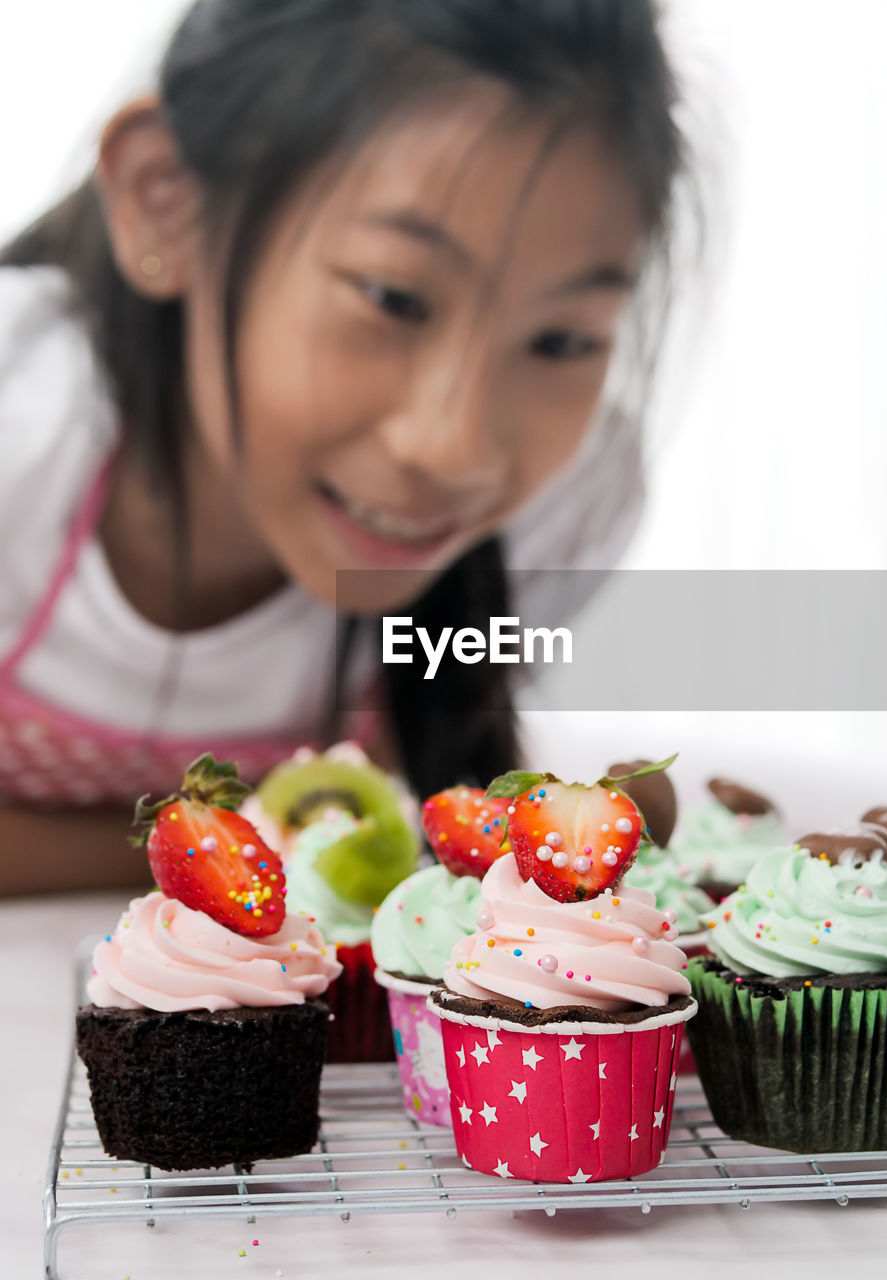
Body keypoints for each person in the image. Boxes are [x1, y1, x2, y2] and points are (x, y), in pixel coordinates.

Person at [0, 0, 686, 894]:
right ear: (166, 200)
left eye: (561, 340)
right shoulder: (23, 419)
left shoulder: (568, 501)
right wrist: (235, 844)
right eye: (393, 298)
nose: (454, 450)